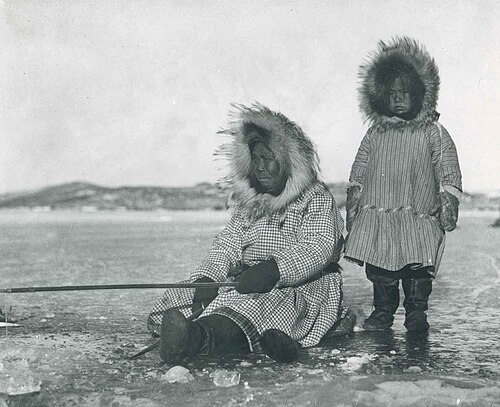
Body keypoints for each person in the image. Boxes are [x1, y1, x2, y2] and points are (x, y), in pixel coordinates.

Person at [148, 103, 353, 364]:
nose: (260, 167)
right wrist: (209, 278)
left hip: (300, 284)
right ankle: (194, 333)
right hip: (248, 278)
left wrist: (275, 269)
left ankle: (199, 340)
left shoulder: (314, 198)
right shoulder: (252, 202)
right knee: (185, 296)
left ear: (289, 162)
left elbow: (317, 246)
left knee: (259, 304)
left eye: (268, 159)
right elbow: (227, 244)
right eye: (255, 159)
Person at [344, 37, 462, 333]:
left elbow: (446, 166)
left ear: (420, 94)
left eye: (405, 93)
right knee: (380, 268)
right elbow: (359, 169)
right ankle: (383, 311)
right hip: (379, 214)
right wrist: (354, 202)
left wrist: (448, 200)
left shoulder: (432, 131)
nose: (398, 99)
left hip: (418, 213)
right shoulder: (375, 133)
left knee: (418, 267)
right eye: (392, 93)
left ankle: (416, 311)